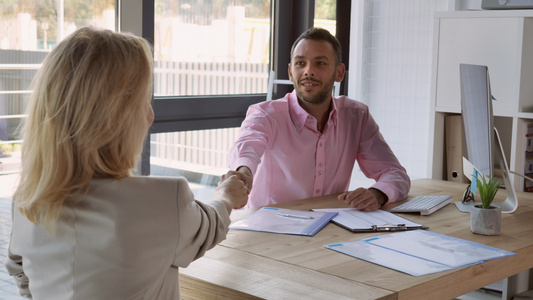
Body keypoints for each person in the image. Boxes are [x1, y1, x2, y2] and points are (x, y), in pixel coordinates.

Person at [5, 27, 248, 300]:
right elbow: (207, 227)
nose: (150, 115)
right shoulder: (164, 200)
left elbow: (19, 270)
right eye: (142, 101)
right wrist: (225, 197)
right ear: (113, 120)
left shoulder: (27, 201)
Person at [228, 27, 410, 210]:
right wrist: (244, 173)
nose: (308, 71)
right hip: (269, 232)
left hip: (329, 228)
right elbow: (247, 146)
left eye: (320, 63)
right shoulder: (265, 115)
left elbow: (395, 174)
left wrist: (377, 194)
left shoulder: (357, 117)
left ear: (339, 72)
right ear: (291, 72)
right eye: (300, 63)